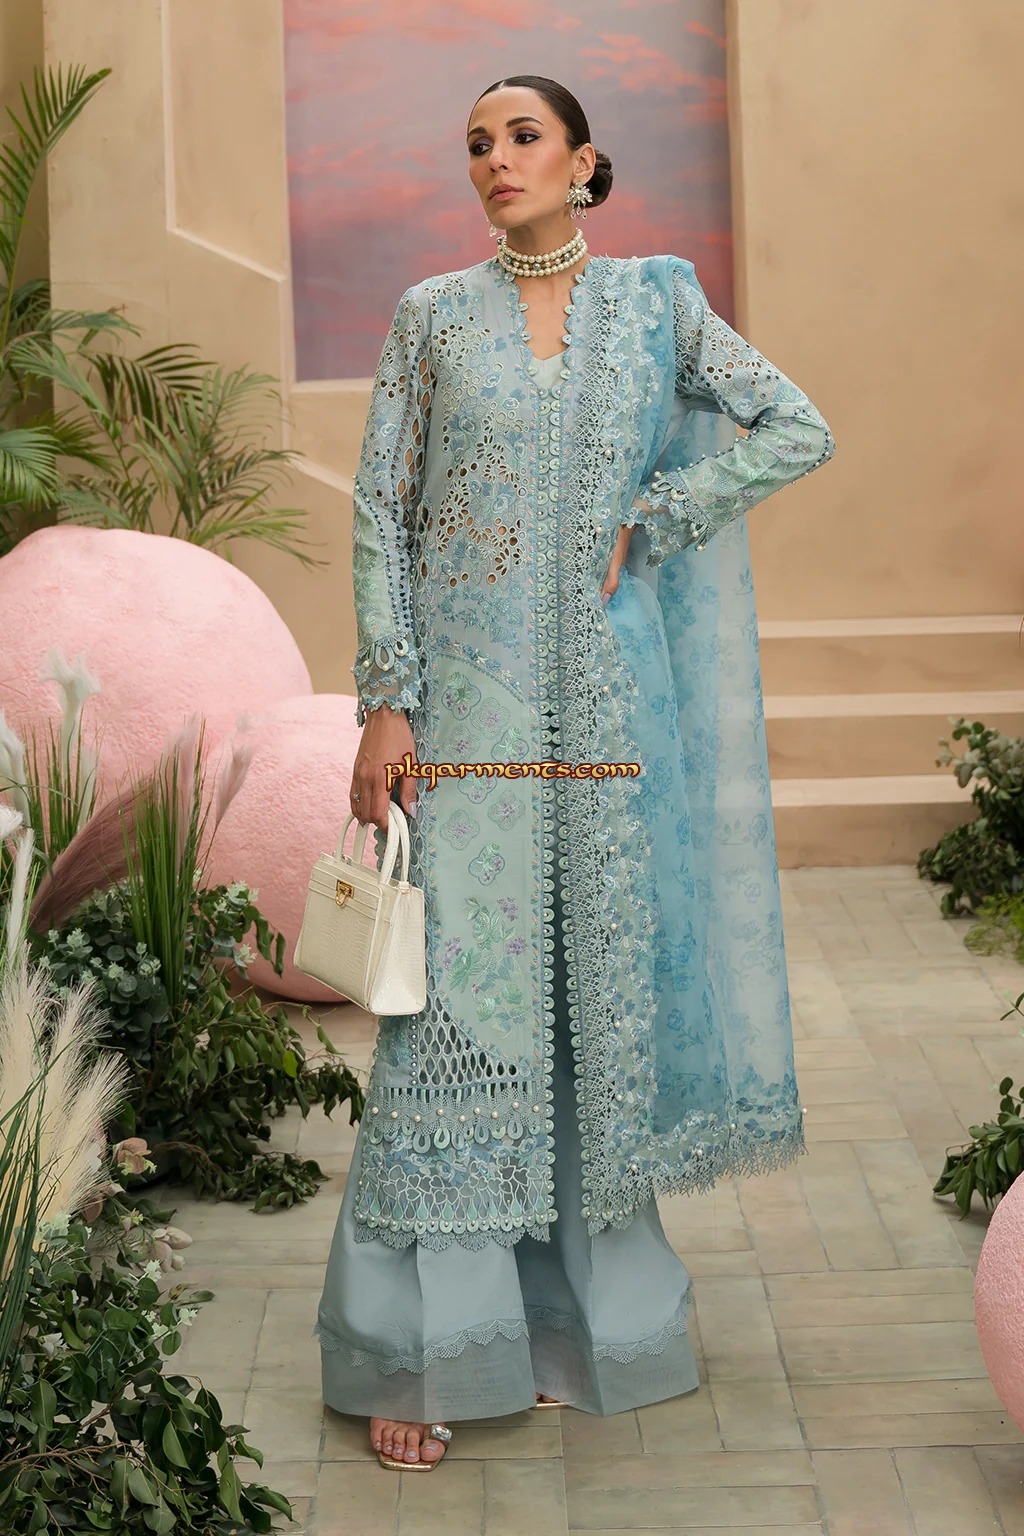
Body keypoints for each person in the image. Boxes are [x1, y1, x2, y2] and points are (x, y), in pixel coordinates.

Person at [314, 73, 836, 1472]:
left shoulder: (657, 305)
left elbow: (797, 425)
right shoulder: (432, 317)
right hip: (470, 720)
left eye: (523, 137)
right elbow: (381, 511)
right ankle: (426, 1348)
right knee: (458, 1022)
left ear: (585, 162)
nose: (495, 159)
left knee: (582, 1017)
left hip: (610, 719)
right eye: (476, 143)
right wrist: (387, 702)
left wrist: (658, 513)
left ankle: (562, 1330)